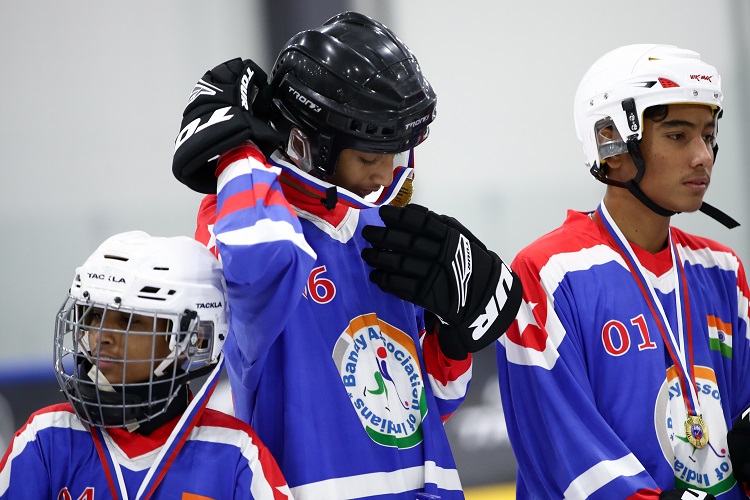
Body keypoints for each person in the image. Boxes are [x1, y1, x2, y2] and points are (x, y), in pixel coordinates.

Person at [171, 11, 522, 499]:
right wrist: (237, 151)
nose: (385, 174)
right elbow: (260, 266)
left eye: (394, 155)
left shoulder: (388, 232)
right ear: (306, 142)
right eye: (369, 156)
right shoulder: (238, 220)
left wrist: (454, 340)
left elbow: (430, 407)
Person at [495, 44, 750, 499]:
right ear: (612, 147)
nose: (703, 156)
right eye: (678, 135)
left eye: (708, 135)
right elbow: (565, 452)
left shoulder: (723, 271)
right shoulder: (549, 275)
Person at [0, 231, 291, 499]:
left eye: (128, 320)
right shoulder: (45, 437)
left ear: (192, 339)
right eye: (93, 316)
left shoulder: (236, 454)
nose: (101, 336)